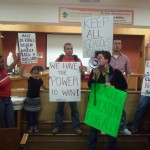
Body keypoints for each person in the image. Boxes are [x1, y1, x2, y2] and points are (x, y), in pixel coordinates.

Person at [88, 50, 128, 150]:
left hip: (110, 106)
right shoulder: (94, 71)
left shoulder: (116, 72)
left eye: (100, 58)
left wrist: (113, 87)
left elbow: (124, 86)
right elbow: (90, 86)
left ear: (106, 60)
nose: (97, 60)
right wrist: (93, 77)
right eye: (97, 58)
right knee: (93, 130)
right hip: (97, 106)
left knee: (111, 130)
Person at [52, 43, 84, 135]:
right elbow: (54, 72)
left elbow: (81, 74)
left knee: (74, 109)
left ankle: (76, 127)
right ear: (64, 50)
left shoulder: (77, 59)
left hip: (73, 89)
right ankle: (58, 126)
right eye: (68, 49)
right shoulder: (59, 60)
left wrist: (81, 70)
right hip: (61, 89)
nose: (70, 50)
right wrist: (52, 76)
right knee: (59, 109)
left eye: (71, 49)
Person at [110, 38, 131, 135]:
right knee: (109, 106)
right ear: (112, 44)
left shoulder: (125, 58)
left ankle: (122, 128)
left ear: (121, 45)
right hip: (109, 86)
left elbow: (128, 72)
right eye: (115, 43)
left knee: (121, 108)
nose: (117, 45)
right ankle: (107, 126)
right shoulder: (107, 57)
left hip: (121, 87)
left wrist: (126, 84)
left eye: (119, 43)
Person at [19, 65, 49, 133]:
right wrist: (24, 65)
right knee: (29, 115)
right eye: (34, 73)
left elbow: (45, 88)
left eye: (37, 73)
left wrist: (50, 80)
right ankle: (30, 126)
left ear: (39, 73)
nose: (35, 74)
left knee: (35, 115)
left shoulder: (40, 80)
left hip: (36, 100)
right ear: (31, 73)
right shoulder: (30, 79)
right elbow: (21, 74)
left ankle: (35, 126)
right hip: (29, 99)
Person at [0, 53, 20, 128]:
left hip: (8, 100)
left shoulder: (4, 70)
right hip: (0, 101)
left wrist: (17, 58)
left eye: (3, 61)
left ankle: (11, 139)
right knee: (1, 122)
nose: (3, 63)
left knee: (11, 122)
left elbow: (11, 67)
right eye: (1, 62)